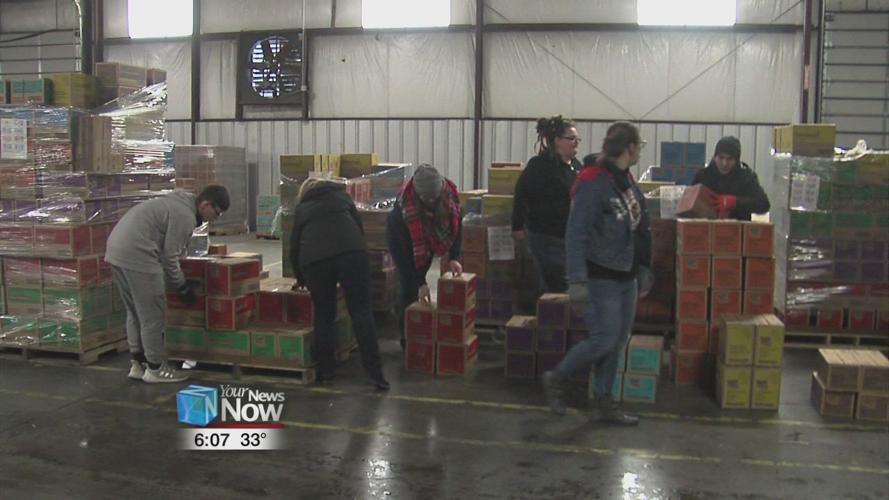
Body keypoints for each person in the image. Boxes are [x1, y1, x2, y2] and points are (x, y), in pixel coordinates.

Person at [542, 122, 653, 425]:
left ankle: (604, 401)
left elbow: (639, 223)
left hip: (626, 275)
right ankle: (557, 377)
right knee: (604, 339)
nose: (639, 151)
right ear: (629, 148)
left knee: (617, 341)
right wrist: (576, 279)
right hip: (599, 276)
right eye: (638, 146)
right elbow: (575, 233)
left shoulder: (624, 179)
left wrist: (643, 266)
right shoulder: (592, 181)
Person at [106, 184, 230, 383]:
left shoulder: (176, 203)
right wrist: (181, 286)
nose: (215, 219)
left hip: (116, 252)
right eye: (217, 213)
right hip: (139, 254)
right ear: (206, 204)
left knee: (135, 311)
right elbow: (169, 257)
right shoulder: (185, 215)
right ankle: (155, 369)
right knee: (152, 315)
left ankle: (138, 364)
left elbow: (175, 249)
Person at [289, 177, 389, 390]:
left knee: (324, 315)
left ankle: (326, 372)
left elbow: (294, 245)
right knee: (361, 312)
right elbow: (359, 228)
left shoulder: (303, 208)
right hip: (352, 254)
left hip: (315, 261)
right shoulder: (343, 197)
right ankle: (375, 374)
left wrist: (300, 277)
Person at [386, 165, 463, 349]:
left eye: (433, 197)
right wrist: (419, 282)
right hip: (409, 247)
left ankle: (424, 333)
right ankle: (407, 341)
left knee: (418, 283)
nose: (430, 200)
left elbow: (457, 225)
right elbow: (403, 257)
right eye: (425, 197)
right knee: (408, 289)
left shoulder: (448, 196)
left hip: (428, 243)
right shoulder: (402, 213)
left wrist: (454, 256)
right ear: (418, 194)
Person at [511, 115, 581, 294]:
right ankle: (550, 318)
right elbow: (521, 194)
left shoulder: (577, 166)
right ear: (557, 140)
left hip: (570, 236)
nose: (576, 143)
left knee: (567, 284)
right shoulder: (540, 166)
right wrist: (517, 226)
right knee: (555, 286)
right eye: (571, 139)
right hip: (546, 236)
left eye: (577, 139)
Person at [692, 136, 770, 220]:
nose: (724, 163)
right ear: (715, 157)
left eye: (730, 159)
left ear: (737, 160)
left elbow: (764, 204)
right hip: (705, 230)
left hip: (737, 230)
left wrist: (736, 202)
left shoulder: (746, 177)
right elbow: (689, 203)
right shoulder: (703, 176)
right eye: (721, 158)